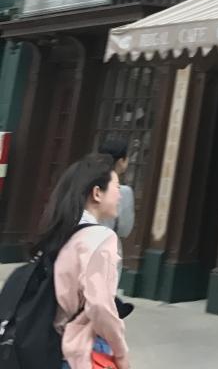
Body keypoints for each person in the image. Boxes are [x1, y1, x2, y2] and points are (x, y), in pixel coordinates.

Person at [38, 152, 130, 369]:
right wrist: (121, 352)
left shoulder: (62, 230)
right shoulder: (100, 238)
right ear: (97, 193)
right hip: (82, 348)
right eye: (116, 187)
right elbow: (100, 306)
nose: (120, 195)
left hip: (50, 342)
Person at [97, 138, 135, 241]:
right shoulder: (124, 192)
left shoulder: (83, 182)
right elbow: (125, 230)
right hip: (107, 243)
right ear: (121, 161)